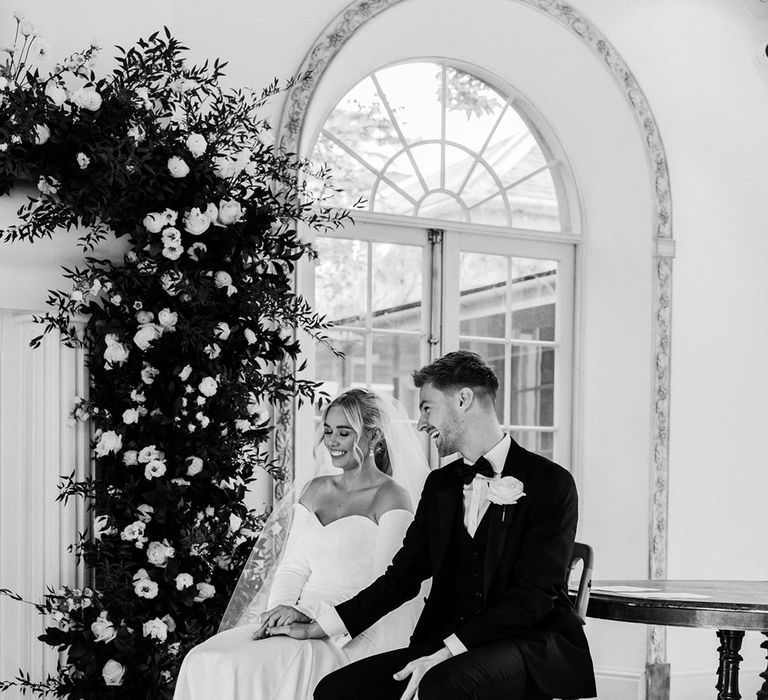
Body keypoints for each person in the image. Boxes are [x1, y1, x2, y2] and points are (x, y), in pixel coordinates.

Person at [266, 350, 597, 700]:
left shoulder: (551, 483)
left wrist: (444, 653)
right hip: (446, 641)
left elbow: (531, 598)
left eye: (427, 407)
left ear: (464, 400)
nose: (421, 423)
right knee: (337, 690)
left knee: (441, 686)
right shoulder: (441, 485)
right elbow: (402, 578)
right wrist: (323, 624)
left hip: (527, 646)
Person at [173, 388, 430, 700]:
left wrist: (314, 619)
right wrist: (277, 616)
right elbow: (293, 566)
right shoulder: (315, 489)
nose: (332, 442)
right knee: (202, 659)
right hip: (297, 619)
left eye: (344, 433)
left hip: (352, 629)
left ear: (373, 437)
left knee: (237, 666)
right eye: (328, 431)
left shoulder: (391, 496)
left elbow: (386, 585)